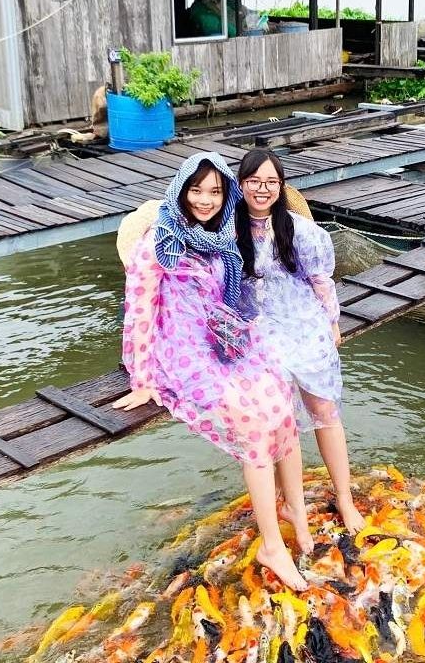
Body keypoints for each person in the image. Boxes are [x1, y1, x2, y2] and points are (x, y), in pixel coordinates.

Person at [112, 151, 309, 590]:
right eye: (196, 190)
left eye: (215, 191)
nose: (205, 200)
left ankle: (294, 507)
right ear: (182, 190)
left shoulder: (220, 238)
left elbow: (231, 296)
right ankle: (271, 546)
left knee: (280, 393)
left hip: (224, 338)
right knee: (253, 420)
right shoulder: (158, 243)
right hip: (182, 348)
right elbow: (140, 310)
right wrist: (141, 378)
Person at [235, 150, 366, 535]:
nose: (262, 189)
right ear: (241, 185)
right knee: (276, 415)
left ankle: (344, 495)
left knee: (324, 410)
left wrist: (332, 322)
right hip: (258, 330)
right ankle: (285, 499)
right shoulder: (228, 231)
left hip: (303, 323)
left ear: (281, 186)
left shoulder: (300, 230)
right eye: (254, 182)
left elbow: (321, 280)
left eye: (271, 182)